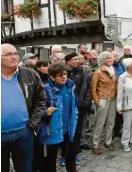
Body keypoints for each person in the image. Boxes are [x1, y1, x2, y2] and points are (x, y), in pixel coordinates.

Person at [1, 44, 46, 172]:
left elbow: (41, 98)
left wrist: (33, 124)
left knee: (25, 169)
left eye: (15, 53)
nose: (14, 57)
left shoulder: (29, 74)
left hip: (23, 133)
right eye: (9, 54)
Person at [38, 63, 78, 172]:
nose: (64, 77)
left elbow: (74, 106)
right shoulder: (45, 89)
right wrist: (45, 112)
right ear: (52, 77)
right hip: (52, 131)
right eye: (60, 75)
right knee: (50, 162)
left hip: (68, 130)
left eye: (65, 74)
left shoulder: (70, 86)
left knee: (71, 157)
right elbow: (36, 108)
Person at [91, 52, 117, 154]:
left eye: (111, 57)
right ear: (102, 60)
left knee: (111, 122)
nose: (110, 59)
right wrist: (97, 101)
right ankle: (95, 145)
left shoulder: (113, 70)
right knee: (99, 123)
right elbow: (93, 88)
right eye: (107, 58)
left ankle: (108, 142)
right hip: (103, 99)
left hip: (113, 98)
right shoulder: (98, 72)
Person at [65, 52, 92, 154]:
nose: (77, 61)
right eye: (74, 59)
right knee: (68, 125)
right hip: (67, 103)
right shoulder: (63, 71)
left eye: (77, 59)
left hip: (80, 103)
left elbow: (87, 86)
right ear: (68, 61)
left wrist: (85, 101)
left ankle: (76, 144)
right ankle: (67, 146)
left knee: (79, 125)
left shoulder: (83, 71)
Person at [111, 51, 125, 137]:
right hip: (113, 92)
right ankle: (111, 131)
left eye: (117, 56)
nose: (117, 58)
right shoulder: (110, 67)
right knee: (113, 113)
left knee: (120, 113)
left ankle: (117, 129)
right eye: (114, 56)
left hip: (122, 91)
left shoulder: (121, 65)